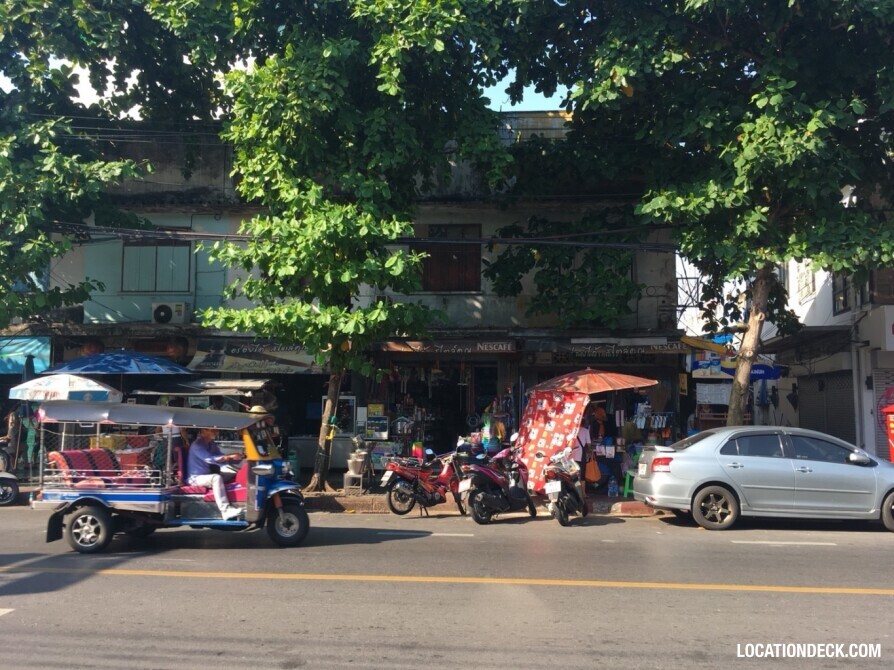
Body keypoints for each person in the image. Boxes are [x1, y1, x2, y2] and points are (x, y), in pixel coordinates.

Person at [186, 427, 243, 520]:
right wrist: (228, 456)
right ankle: (225, 510)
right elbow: (210, 459)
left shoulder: (211, 444)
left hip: (206, 475)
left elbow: (221, 459)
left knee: (234, 474)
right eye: (213, 430)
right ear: (203, 431)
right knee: (216, 478)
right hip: (196, 478)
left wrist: (238, 458)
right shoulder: (197, 445)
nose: (217, 432)